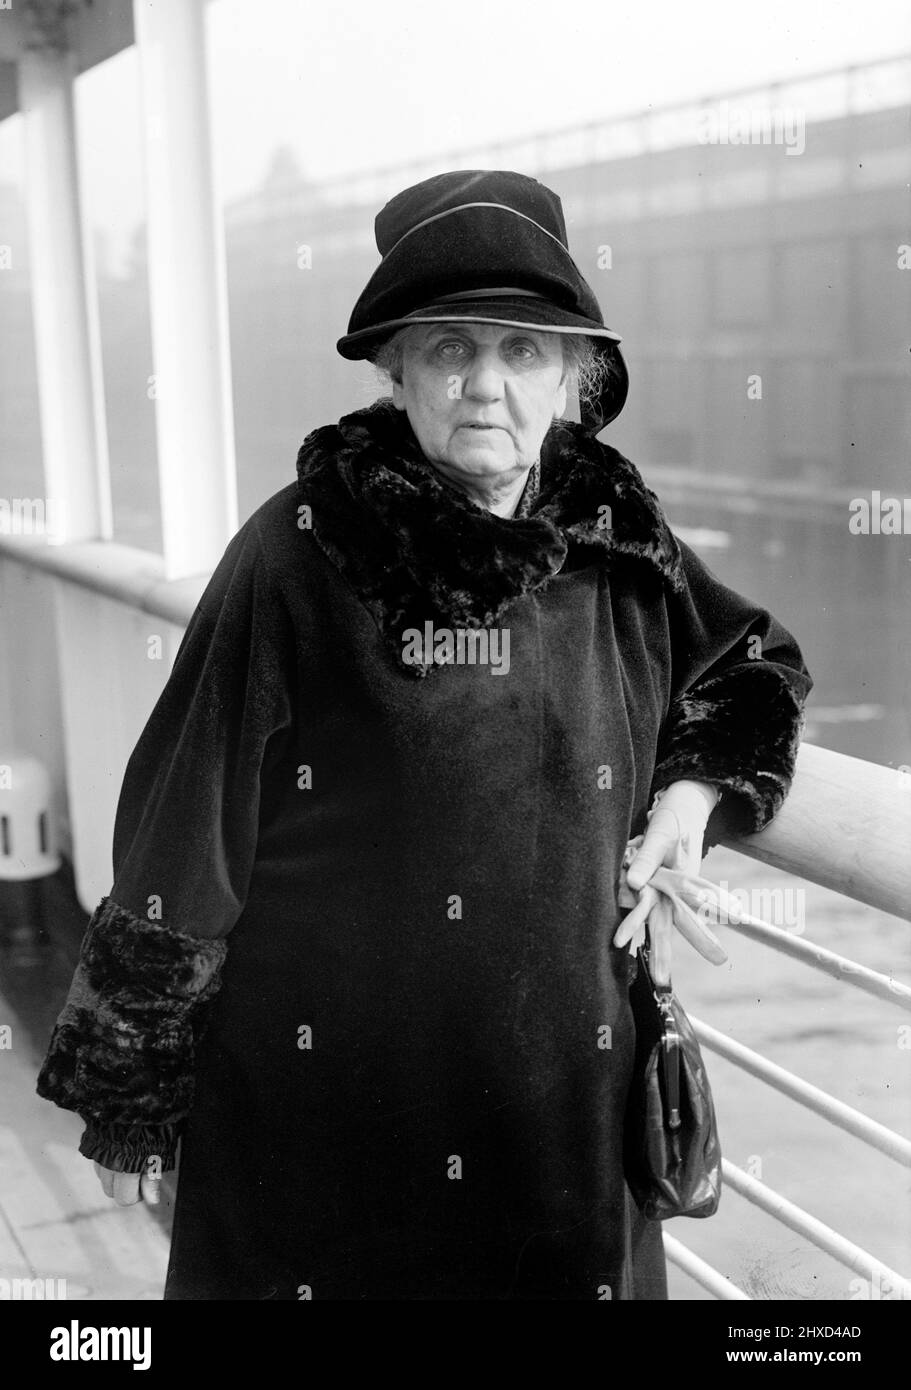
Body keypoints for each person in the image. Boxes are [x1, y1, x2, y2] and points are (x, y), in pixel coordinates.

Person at [37, 169, 813, 1300]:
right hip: (328, 1120)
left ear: (573, 376)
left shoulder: (615, 536)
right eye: (449, 349)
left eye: (521, 350)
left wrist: (689, 798)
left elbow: (751, 661)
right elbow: (182, 826)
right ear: (395, 370)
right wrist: (134, 1096)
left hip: (562, 1119)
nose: (485, 384)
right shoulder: (300, 550)